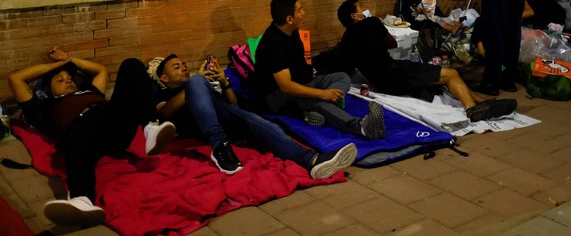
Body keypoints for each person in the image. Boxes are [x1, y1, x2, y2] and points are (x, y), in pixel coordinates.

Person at [7, 48, 176, 227]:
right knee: (77, 130)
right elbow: (15, 79)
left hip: (113, 123)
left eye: (70, 79)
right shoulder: (44, 107)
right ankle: (82, 199)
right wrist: (56, 65)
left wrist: (70, 59)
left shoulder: (89, 92)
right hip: (84, 135)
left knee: (131, 64)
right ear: (48, 90)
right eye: (60, 80)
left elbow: (100, 70)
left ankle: (150, 128)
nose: (68, 82)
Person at [150, 53, 358, 179]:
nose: (183, 68)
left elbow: (232, 105)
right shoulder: (164, 94)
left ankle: (313, 161)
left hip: (228, 118)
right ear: (164, 77)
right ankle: (220, 148)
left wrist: (224, 82)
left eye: (183, 65)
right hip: (204, 129)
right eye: (176, 67)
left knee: (266, 126)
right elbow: (164, 112)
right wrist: (195, 84)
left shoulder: (199, 84)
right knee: (197, 83)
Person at [337, 0, 517, 122]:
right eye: (361, 7)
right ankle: (472, 109)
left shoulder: (345, 41)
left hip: (382, 81)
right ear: (354, 15)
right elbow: (391, 44)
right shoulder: (371, 23)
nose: (365, 9)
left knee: (443, 77)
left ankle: (482, 103)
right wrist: (377, 25)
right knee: (451, 73)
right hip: (394, 72)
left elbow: (345, 64)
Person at [254, 0, 386, 140]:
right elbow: (286, 86)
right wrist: (322, 94)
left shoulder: (292, 31)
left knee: (342, 76)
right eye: (300, 10)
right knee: (318, 101)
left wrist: (320, 86)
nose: (303, 13)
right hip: (277, 96)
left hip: (303, 82)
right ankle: (361, 127)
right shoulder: (272, 45)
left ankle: (316, 110)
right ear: (289, 19)